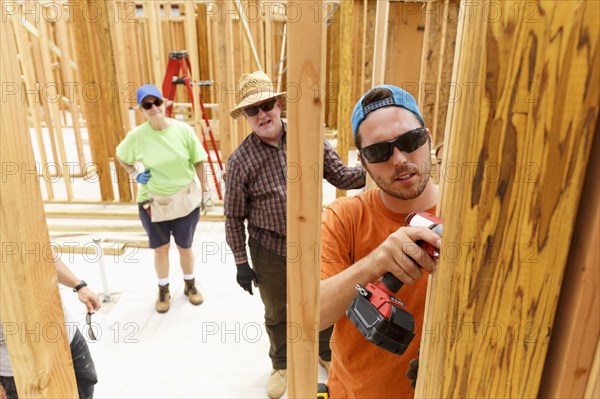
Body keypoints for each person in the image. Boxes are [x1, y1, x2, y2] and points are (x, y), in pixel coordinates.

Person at [225, 71, 366, 399]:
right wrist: (240, 262)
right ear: (246, 117)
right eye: (252, 110)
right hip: (268, 247)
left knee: (321, 300)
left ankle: (323, 350)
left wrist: (376, 167)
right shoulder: (240, 160)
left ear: (278, 104)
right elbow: (233, 216)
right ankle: (281, 363)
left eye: (266, 105)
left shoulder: (308, 138)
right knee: (277, 310)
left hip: (314, 243)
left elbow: (342, 176)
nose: (262, 114)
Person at [319, 85, 442, 398]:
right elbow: (311, 315)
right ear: (362, 161)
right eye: (379, 152)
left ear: (427, 137)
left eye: (410, 141)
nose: (399, 159)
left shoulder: (467, 217)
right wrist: (376, 263)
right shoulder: (344, 217)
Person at [116, 84, 212, 313]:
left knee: (185, 247)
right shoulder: (137, 136)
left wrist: (206, 190)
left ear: (164, 103)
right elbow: (120, 156)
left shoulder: (183, 130)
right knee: (161, 249)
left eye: (156, 102)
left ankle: (190, 285)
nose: (153, 108)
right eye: (147, 105)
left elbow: (198, 159)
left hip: (185, 200)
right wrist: (135, 173)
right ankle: (163, 289)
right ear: (142, 110)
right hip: (153, 201)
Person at [1, 257, 101, 398]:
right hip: (16, 363)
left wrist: (79, 286)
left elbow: (44, 252)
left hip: (64, 335)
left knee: (84, 387)